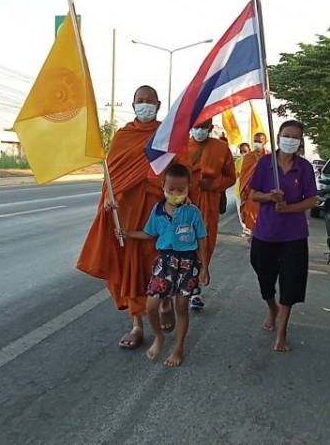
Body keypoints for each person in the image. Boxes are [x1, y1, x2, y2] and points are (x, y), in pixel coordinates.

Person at [77, 85, 179, 349]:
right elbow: (110, 177)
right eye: (139, 101)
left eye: (149, 101)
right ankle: (137, 325)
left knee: (160, 264)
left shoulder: (166, 136)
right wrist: (108, 200)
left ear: (158, 105)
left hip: (158, 215)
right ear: (133, 104)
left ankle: (166, 301)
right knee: (130, 270)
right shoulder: (123, 136)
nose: (144, 105)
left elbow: (181, 174)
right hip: (126, 216)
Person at [116, 164, 210, 366]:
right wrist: (129, 233)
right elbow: (150, 233)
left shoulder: (193, 212)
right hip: (165, 262)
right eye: (171, 189)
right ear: (163, 186)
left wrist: (204, 267)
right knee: (151, 306)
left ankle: (179, 347)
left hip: (188, 262)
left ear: (189, 188)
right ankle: (159, 336)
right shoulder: (157, 211)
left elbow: (202, 238)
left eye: (181, 190)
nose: (175, 194)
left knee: (182, 307)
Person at [249, 120, 317, 352]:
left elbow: (312, 199)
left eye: (295, 137)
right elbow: (252, 194)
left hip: (294, 236)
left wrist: (289, 207)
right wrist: (269, 197)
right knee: (264, 279)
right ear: (278, 137)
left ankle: (282, 331)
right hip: (265, 234)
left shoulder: (305, 168)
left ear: (300, 142)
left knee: (290, 283)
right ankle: (272, 308)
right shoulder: (264, 163)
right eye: (286, 135)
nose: (290, 140)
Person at [178, 118, 236, 310]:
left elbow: (230, 177)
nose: (199, 130)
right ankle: (180, 283)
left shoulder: (220, 148)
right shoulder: (180, 146)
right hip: (182, 205)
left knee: (204, 243)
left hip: (207, 205)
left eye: (204, 127)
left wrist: (213, 184)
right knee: (181, 244)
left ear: (210, 128)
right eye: (196, 126)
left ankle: (196, 290)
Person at [239, 133, 268, 239]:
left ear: (265, 142)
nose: (257, 144)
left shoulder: (269, 156)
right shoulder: (249, 157)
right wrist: (243, 191)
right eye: (255, 141)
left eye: (260, 141)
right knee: (251, 216)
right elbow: (243, 175)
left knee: (264, 216)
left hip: (265, 193)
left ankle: (261, 236)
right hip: (251, 192)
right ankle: (254, 235)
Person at [234, 142, 252, 235]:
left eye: (245, 151)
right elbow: (235, 176)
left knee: (250, 211)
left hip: (251, 191)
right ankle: (245, 229)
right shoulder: (238, 162)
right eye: (241, 151)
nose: (243, 153)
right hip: (239, 191)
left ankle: (251, 229)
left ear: (249, 150)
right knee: (241, 210)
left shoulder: (255, 161)